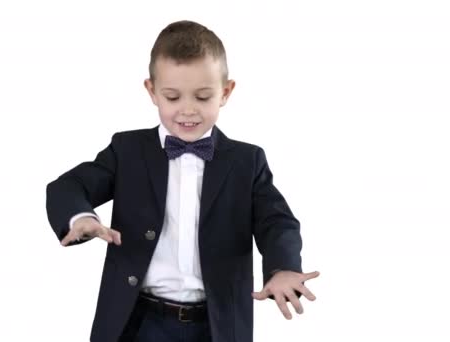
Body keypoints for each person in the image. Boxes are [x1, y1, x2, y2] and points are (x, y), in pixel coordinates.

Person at [46, 19, 319, 342]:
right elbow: (69, 186)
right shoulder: (128, 150)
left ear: (226, 92)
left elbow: (277, 221)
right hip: (137, 322)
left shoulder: (247, 161)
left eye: (203, 97)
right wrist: (82, 217)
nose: (187, 110)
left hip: (216, 325)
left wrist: (282, 268)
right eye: (173, 97)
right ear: (151, 91)